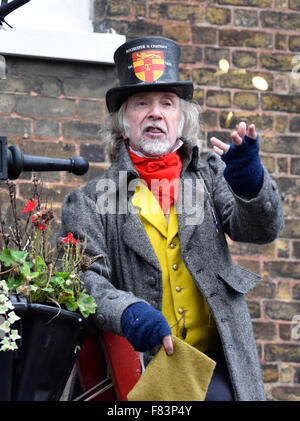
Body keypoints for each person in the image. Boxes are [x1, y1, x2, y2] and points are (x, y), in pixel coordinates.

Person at [60, 36, 284, 401]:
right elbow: (83, 281)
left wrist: (250, 183)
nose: (155, 113)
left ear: (181, 120)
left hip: (217, 364)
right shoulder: (90, 202)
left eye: (167, 103)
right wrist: (128, 311)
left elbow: (260, 230)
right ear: (122, 124)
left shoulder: (211, 175)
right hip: (141, 373)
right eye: (141, 103)